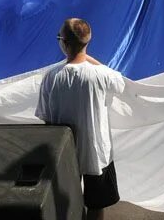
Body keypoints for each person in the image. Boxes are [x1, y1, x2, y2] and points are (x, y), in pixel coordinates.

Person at [35, 18, 125, 220]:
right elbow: (121, 83)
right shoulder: (101, 74)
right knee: (96, 204)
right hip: (97, 152)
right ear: (87, 42)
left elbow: (46, 121)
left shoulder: (51, 77)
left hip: (64, 153)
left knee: (66, 206)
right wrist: (88, 57)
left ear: (64, 43)